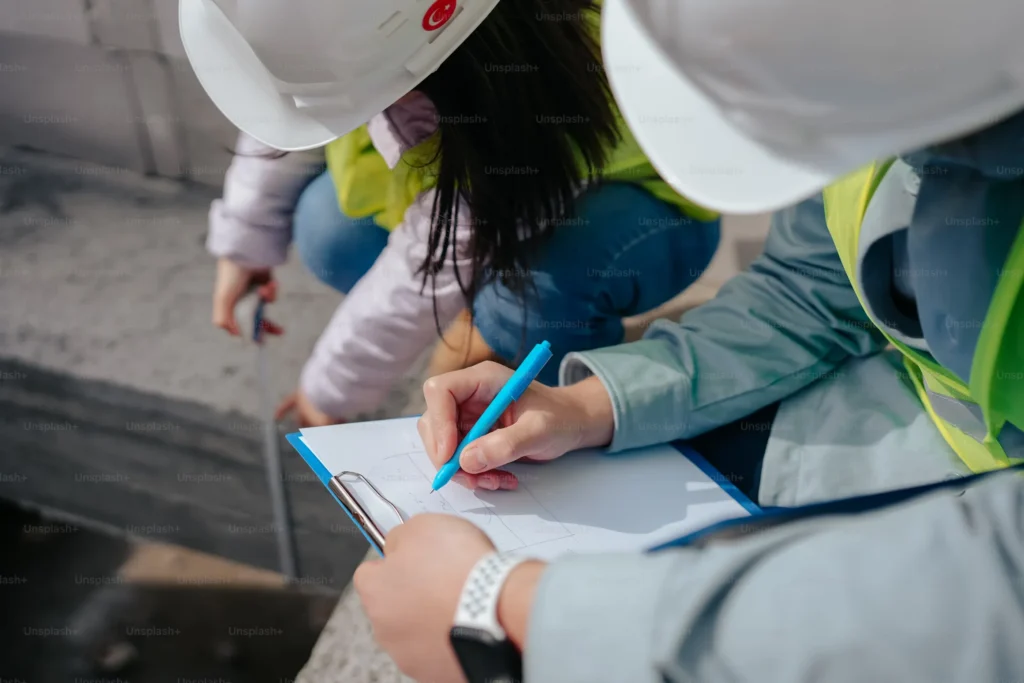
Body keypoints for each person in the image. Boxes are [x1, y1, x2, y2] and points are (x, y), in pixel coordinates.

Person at [350, 0, 1024, 679]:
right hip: (886, 435)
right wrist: (586, 407)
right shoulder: (847, 67)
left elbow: (990, 594)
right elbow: (807, 292)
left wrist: (514, 607)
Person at [183, 0, 720, 427]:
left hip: (647, 209)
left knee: (531, 295)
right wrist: (244, 241)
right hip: (491, 197)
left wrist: (329, 392)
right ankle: (479, 314)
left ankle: (565, 409)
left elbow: (430, 265)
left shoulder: (522, 94)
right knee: (329, 231)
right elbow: (290, 95)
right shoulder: (390, 36)